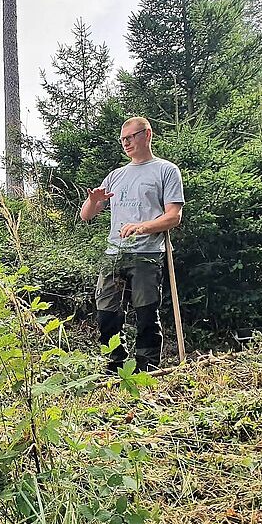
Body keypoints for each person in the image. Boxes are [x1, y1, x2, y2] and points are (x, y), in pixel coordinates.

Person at [80, 116, 185, 373]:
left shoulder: (166, 170)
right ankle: (115, 363)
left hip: (147, 253)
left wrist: (142, 227)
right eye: (122, 139)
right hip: (114, 252)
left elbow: (174, 216)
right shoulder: (116, 175)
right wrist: (94, 201)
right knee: (106, 311)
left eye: (130, 137)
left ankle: (147, 367)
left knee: (146, 312)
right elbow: (86, 215)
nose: (126, 143)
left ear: (147, 135)